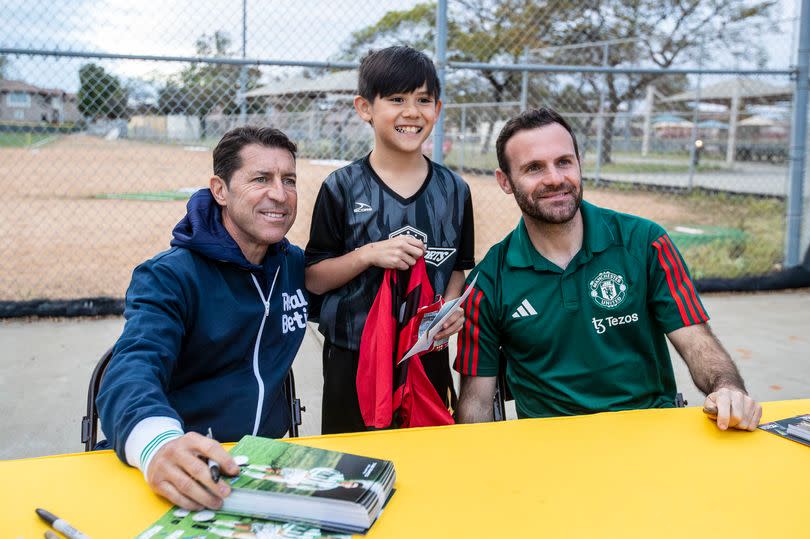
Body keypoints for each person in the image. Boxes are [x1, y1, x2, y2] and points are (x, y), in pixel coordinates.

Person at [454, 107, 762, 431]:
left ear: (579, 162)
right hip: (550, 447)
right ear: (505, 181)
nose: (555, 179)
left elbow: (695, 339)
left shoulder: (645, 243)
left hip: (650, 429)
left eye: (564, 162)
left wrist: (728, 389)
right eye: (534, 168)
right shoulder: (487, 281)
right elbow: (476, 401)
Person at [97, 126, 309, 511]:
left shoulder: (293, 264)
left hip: (266, 471)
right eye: (261, 178)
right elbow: (131, 368)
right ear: (220, 190)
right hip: (186, 470)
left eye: (289, 180)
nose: (280, 194)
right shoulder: (168, 276)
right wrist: (157, 445)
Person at [305, 45, 475, 434]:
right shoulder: (342, 187)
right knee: (354, 462)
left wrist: (449, 310)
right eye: (396, 99)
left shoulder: (454, 190)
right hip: (355, 354)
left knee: (428, 461)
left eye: (423, 100)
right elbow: (314, 277)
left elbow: (457, 271)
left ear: (438, 107)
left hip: (424, 356)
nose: (412, 112)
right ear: (365, 108)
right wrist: (367, 255)